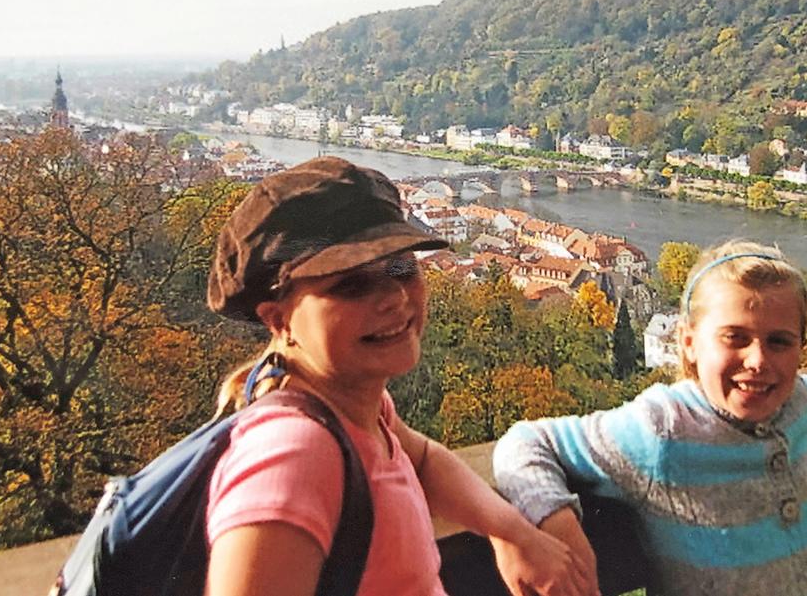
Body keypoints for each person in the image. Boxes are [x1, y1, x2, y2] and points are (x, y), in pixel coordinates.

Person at [203, 156, 598, 596]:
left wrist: (513, 533)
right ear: (278, 320)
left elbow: (423, 459)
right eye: (351, 285)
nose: (393, 296)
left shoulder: (352, 408)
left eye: (402, 268)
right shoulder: (293, 455)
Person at [492, 240, 807, 596]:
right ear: (688, 343)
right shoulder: (663, 428)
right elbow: (526, 442)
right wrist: (554, 521)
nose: (758, 360)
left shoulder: (795, 402)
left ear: (800, 348)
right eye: (734, 337)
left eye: (779, 341)